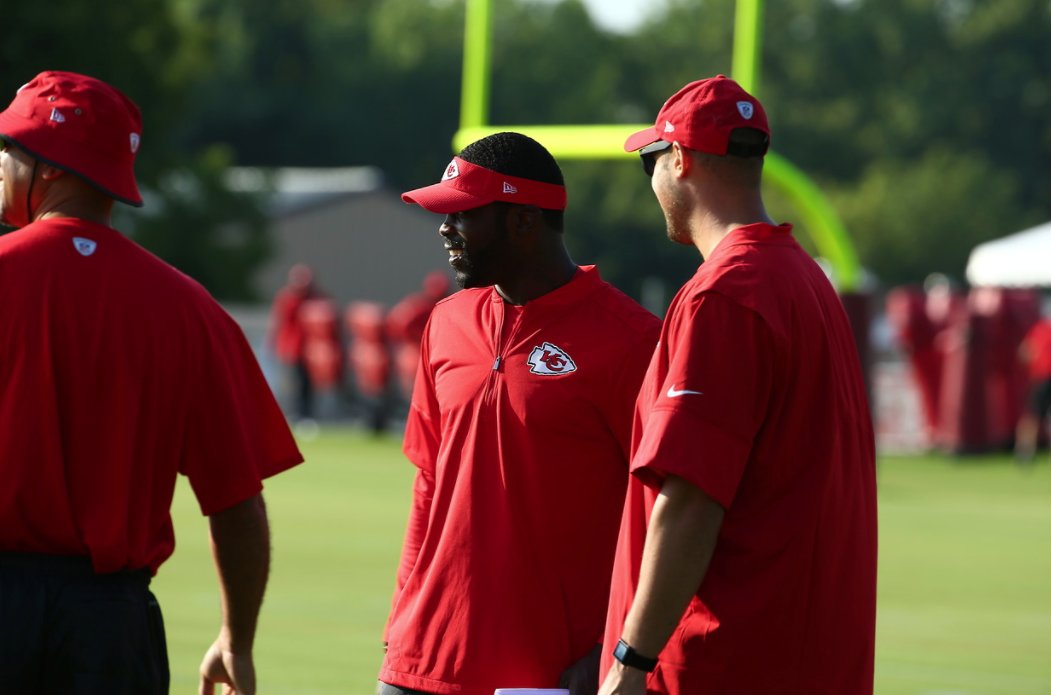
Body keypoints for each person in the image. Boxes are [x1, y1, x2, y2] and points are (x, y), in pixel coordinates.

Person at [0, 71, 303, 694]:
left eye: (10, 147)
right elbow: (237, 503)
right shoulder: (189, 308)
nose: (0, 163)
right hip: (112, 627)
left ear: (49, 166)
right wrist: (236, 640)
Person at [598, 75, 877, 695]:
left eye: (650, 160)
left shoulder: (726, 293)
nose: (651, 179)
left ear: (679, 159)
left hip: (724, 661)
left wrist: (631, 660)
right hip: (808, 655)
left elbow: (693, 497)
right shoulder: (805, 278)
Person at [378, 132, 660, 695]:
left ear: (524, 220)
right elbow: (428, 484)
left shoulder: (633, 340)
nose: (444, 229)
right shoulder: (446, 321)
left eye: (462, 214)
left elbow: (663, 512)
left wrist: (616, 645)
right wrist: (400, 623)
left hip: (551, 668)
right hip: (421, 657)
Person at [269, 262, 322, 420]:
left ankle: (306, 415)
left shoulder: (315, 298)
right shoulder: (287, 299)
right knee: (292, 384)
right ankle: (294, 414)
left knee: (308, 384)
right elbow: (280, 323)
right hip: (292, 349)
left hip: (310, 350)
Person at [1014, 316, 1051, 463]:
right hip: (1042, 377)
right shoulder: (1040, 329)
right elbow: (1025, 351)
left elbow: (1025, 351)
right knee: (1032, 415)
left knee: (1032, 415)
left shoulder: (1040, 328)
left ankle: (1025, 451)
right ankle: (1025, 451)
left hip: (1042, 377)